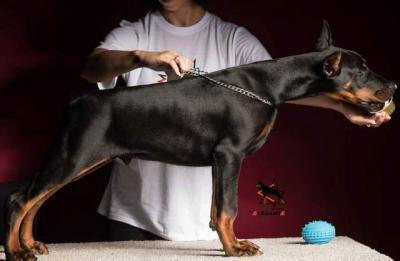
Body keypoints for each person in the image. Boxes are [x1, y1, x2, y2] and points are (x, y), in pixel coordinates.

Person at [81, 0, 390, 241]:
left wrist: (342, 108)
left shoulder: (232, 38)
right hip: (132, 215)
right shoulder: (135, 32)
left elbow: (282, 87)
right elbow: (92, 67)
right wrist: (141, 57)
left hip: (203, 225)